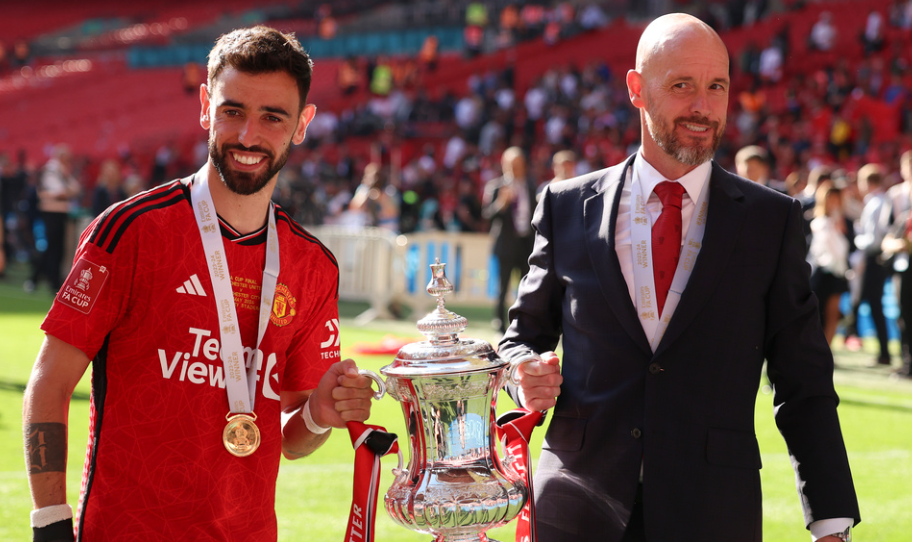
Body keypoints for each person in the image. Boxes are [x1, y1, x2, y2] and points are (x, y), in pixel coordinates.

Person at [500, 13, 859, 542]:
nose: (703, 106)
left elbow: (803, 379)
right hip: (576, 509)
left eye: (717, 86)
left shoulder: (771, 221)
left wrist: (830, 521)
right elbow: (520, 339)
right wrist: (519, 373)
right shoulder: (566, 206)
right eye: (682, 86)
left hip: (713, 512)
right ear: (636, 89)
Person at [22, 26, 376, 542]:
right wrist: (50, 524)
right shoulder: (129, 232)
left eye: (272, 117)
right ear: (207, 106)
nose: (249, 136)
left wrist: (319, 415)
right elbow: (49, 383)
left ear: (302, 124)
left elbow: (290, 438)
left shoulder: (311, 265)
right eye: (233, 111)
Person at [482, 146, 537, 333]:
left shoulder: (531, 186)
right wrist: (501, 204)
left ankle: (522, 323)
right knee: (502, 288)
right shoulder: (496, 187)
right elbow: (488, 216)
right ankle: (500, 323)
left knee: (525, 287)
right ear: (504, 166)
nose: (515, 169)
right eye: (511, 165)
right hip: (505, 245)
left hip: (526, 245)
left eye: (518, 165)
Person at [847, 163, 893, 366]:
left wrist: (857, 239)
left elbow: (873, 239)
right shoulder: (877, 201)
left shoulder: (876, 202)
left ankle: (883, 352)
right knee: (868, 303)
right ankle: (879, 349)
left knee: (872, 303)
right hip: (874, 258)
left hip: (874, 258)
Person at [27, 144, 81, 293]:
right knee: (51, 246)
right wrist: (67, 192)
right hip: (51, 212)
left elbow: (75, 189)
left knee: (58, 248)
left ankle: (51, 280)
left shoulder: (61, 171)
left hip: (61, 212)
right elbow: (61, 191)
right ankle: (37, 278)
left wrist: (66, 192)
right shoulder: (52, 169)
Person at [808, 182, 851, 344]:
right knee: (816, 313)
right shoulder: (816, 221)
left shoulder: (845, 222)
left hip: (837, 273)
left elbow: (848, 248)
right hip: (819, 273)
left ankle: (827, 350)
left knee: (833, 314)